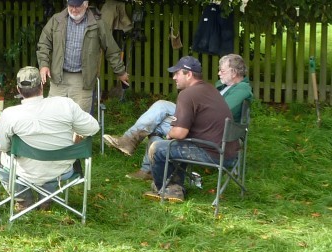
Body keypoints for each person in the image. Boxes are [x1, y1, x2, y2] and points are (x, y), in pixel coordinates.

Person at [104, 54, 252, 180]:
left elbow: (220, 110)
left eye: (222, 71)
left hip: (213, 132)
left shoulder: (242, 89)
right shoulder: (223, 86)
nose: (219, 73)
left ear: (234, 72)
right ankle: (145, 164)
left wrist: (188, 112)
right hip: (203, 123)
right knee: (160, 110)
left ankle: (138, 155)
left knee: (159, 116)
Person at [0, 66, 99, 211]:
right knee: (51, 157)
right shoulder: (65, 104)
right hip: (63, 169)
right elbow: (93, 128)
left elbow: (4, 147)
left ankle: (23, 200)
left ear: (18, 89)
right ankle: (47, 197)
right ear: (41, 84)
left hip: (26, 171)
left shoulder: (9, 114)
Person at [141, 56, 237, 203]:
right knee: (178, 144)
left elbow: (179, 133)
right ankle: (175, 186)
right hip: (229, 152)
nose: (174, 78)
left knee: (158, 148)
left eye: (177, 73)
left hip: (213, 153)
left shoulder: (187, 94)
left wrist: (169, 134)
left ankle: (168, 189)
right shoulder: (209, 89)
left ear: (189, 74)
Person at [36, 0, 129, 113]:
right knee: (54, 115)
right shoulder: (56, 20)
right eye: (71, 5)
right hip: (58, 77)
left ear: (86, 5)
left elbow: (111, 50)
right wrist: (44, 65)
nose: (74, 9)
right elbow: (44, 43)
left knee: (80, 120)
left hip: (83, 79)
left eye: (78, 6)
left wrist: (120, 72)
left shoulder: (98, 24)